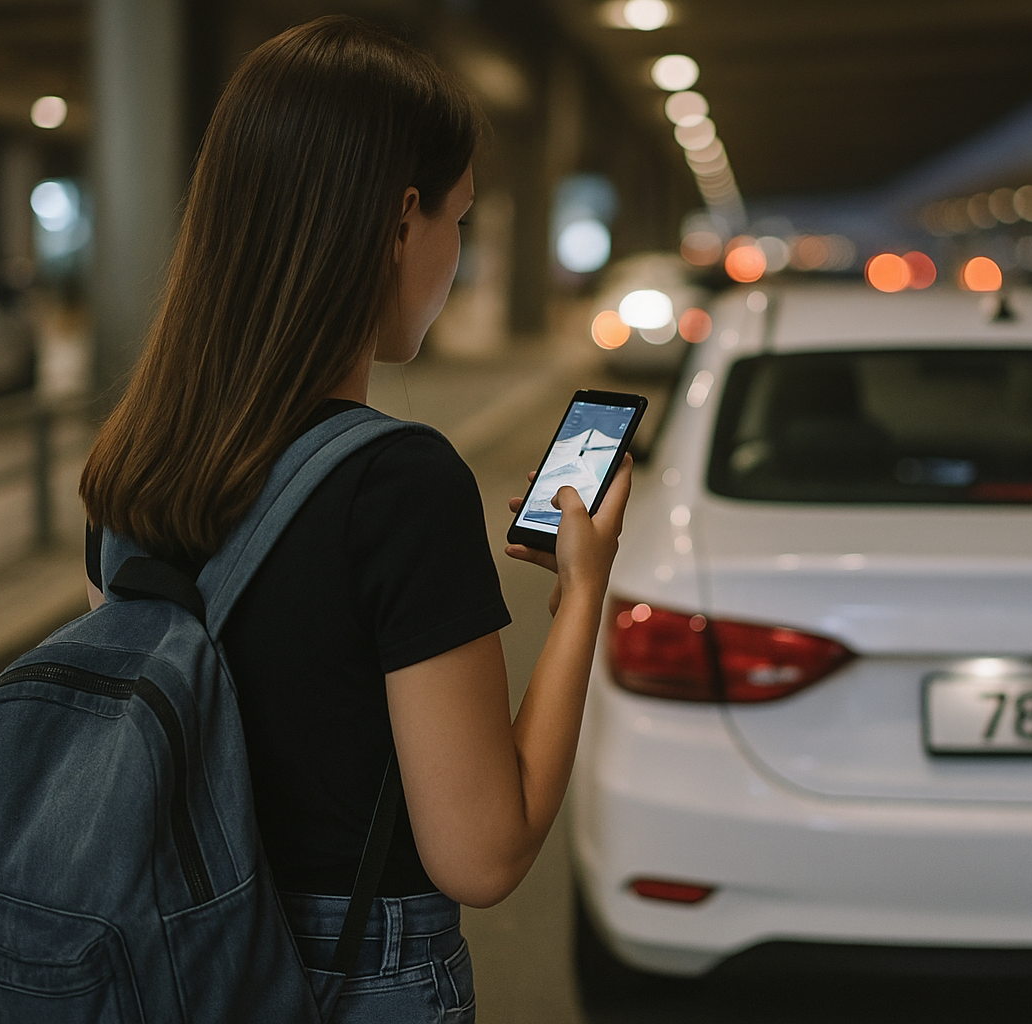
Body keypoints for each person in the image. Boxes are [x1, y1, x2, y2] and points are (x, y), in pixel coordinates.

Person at [78, 16, 630, 1021]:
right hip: (347, 980)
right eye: (460, 220)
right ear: (399, 222)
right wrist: (584, 590)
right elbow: (484, 852)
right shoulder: (398, 485)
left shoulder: (130, 468)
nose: (456, 254)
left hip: (168, 968)